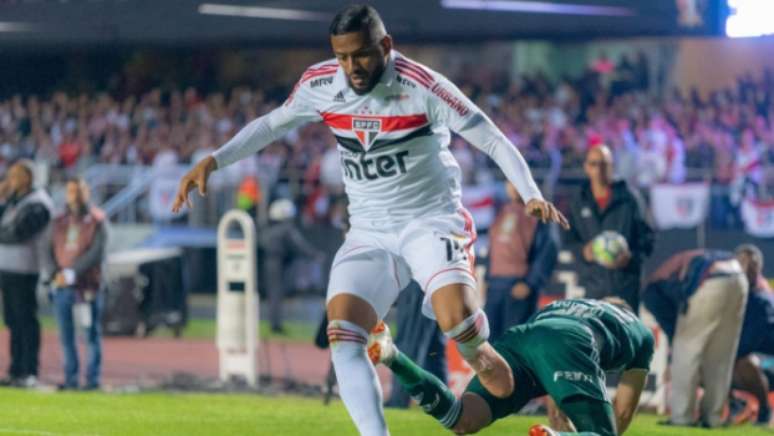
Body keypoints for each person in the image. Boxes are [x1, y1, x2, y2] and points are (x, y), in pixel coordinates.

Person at [171, 5, 569, 434]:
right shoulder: (320, 83)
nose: (350, 67)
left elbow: (490, 135)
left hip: (429, 222)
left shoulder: (423, 86)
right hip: (368, 232)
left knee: (456, 320)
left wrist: (530, 193)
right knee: (344, 334)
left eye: (360, 55)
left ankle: (478, 351)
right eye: (341, 56)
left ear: (385, 46)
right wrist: (215, 159)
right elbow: (272, 125)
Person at [368, 298, 653, 436]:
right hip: (572, 342)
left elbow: (547, 358)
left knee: (463, 419)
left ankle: (393, 356)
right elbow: (625, 409)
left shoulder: (563, 303)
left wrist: (560, 404)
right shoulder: (639, 331)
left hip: (524, 338)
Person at [642, 249, 748, 427]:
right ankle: (713, 418)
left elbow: (673, 323)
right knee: (720, 357)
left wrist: (676, 347)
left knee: (685, 353)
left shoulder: (655, 283)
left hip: (710, 280)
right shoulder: (691, 258)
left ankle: (682, 418)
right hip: (738, 279)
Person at [565, 144, 654, 313]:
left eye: (603, 164)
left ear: (611, 166)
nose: (599, 169)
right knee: (596, 336)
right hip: (592, 285)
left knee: (625, 336)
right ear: (586, 167)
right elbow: (568, 238)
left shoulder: (630, 198)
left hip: (625, 285)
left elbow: (648, 237)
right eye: (593, 164)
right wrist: (582, 252)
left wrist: (631, 258)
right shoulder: (578, 201)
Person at [48, 177, 108, 390]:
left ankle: (92, 380)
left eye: (79, 191)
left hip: (88, 286)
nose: (75, 195)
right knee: (66, 335)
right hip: (62, 286)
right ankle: (71, 378)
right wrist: (55, 273)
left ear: (87, 193)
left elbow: (96, 252)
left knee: (91, 334)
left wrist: (72, 272)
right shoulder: (58, 220)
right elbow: (49, 249)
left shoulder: (97, 220)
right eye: (71, 191)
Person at [0, 160, 54, 388]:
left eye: (16, 176)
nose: (11, 180)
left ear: (28, 178)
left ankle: (29, 370)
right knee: (12, 321)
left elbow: (20, 233)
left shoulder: (38, 203)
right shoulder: (15, 201)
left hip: (26, 269)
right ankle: (16, 369)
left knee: (26, 320)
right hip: (8, 269)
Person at [485, 183, 558, 340]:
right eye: (509, 182)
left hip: (519, 285)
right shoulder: (502, 210)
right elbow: (492, 248)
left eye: (518, 182)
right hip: (495, 287)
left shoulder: (540, 213)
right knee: (490, 343)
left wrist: (530, 283)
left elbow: (548, 251)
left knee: (516, 342)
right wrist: (486, 279)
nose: (513, 186)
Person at [261, 198, 324, 333]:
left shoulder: (269, 228)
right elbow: (299, 245)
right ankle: (276, 326)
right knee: (276, 294)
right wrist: (314, 254)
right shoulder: (286, 229)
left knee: (274, 293)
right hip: (278, 262)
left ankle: (275, 323)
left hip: (271, 261)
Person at [384, 281, 447, 409]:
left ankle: (398, 401)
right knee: (433, 350)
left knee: (410, 344)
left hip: (419, 283)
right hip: (441, 282)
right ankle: (442, 402)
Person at [731, 244, 773, 426]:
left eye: (751, 264)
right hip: (746, 357)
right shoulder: (733, 294)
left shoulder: (761, 300)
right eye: (742, 263)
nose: (746, 268)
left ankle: (764, 410)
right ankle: (733, 403)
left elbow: (748, 344)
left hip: (767, 360)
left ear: (758, 268)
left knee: (744, 361)